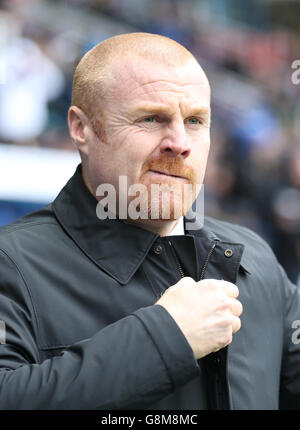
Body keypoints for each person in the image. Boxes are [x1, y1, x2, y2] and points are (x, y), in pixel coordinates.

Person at [0, 32, 299, 410]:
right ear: (82, 128)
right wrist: (168, 338)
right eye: (151, 119)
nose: (179, 142)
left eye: (194, 120)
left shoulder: (253, 258)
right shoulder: (10, 265)